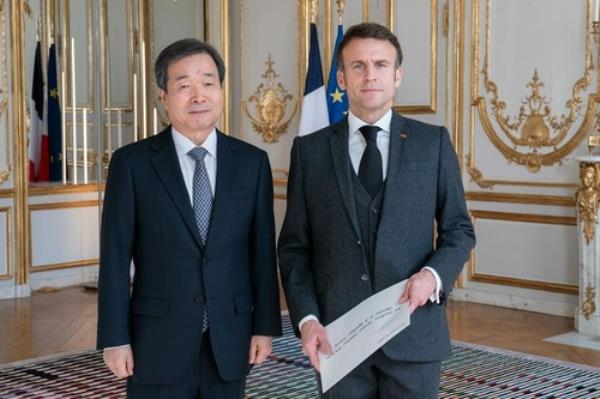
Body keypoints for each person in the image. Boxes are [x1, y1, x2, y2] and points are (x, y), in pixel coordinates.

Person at [278, 22, 475, 398]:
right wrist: (306, 319)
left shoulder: (432, 144)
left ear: (397, 75)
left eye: (381, 65)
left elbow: (459, 230)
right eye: (358, 66)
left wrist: (432, 276)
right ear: (340, 77)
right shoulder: (310, 152)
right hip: (338, 339)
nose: (370, 75)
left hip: (414, 334)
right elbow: (294, 249)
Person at [97, 38, 282, 399]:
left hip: (230, 339)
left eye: (208, 83)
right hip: (156, 342)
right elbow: (115, 259)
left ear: (221, 91)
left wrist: (265, 327)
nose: (198, 95)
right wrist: (114, 338)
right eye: (184, 85)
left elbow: (262, 254)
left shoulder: (252, 163)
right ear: (164, 97)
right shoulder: (132, 164)